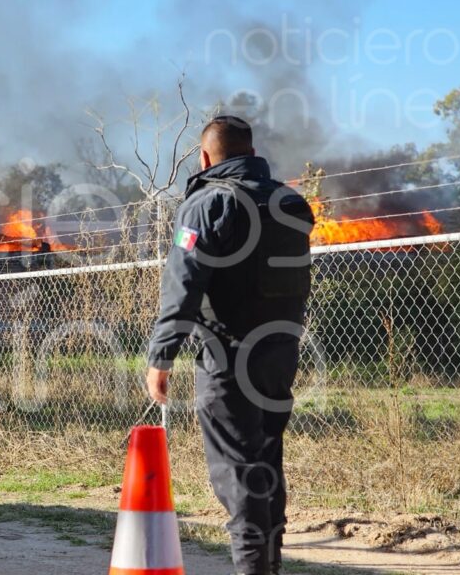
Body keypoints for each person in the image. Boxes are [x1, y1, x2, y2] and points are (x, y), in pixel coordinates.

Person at [145, 116, 313, 575]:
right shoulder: (288, 200)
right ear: (251, 151)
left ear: (205, 157)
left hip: (227, 358)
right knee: (265, 464)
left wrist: (163, 354)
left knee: (238, 475)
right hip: (280, 353)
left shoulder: (206, 204)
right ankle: (270, 566)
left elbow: (183, 285)